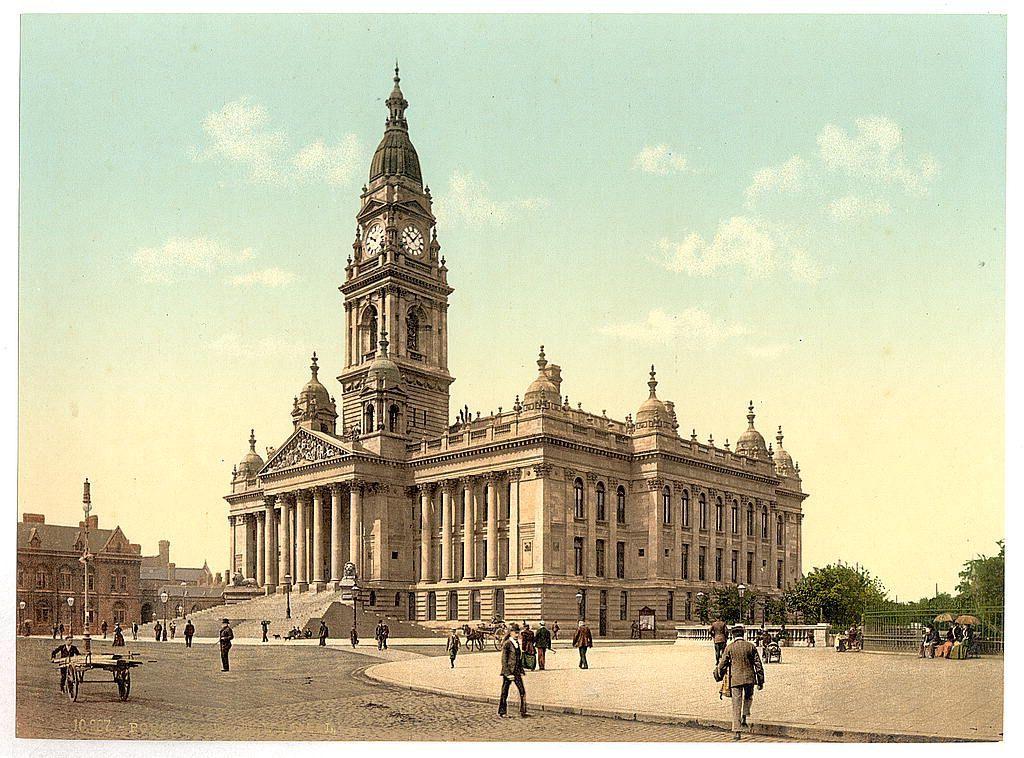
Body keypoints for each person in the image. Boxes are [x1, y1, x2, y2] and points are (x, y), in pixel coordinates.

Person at [714, 624, 765, 741]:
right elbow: (758, 665)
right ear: (743, 634)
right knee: (748, 697)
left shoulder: (730, 647)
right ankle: (744, 717)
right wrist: (760, 680)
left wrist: (718, 676)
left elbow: (722, 664)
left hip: (735, 679)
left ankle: (737, 731)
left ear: (733, 635)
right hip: (749, 678)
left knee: (736, 704)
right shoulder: (750, 646)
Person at [498, 623, 527, 718]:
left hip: (517, 671)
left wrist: (521, 670)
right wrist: (507, 673)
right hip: (509, 672)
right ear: (510, 633)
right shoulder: (507, 644)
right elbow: (504, 660)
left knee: (522, 691)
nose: (517, 634)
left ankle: (523, 711)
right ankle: (502, 712)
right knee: (504, 692)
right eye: (515, 633)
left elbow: (518, 658)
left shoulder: (517, 643)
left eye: (518, 633)